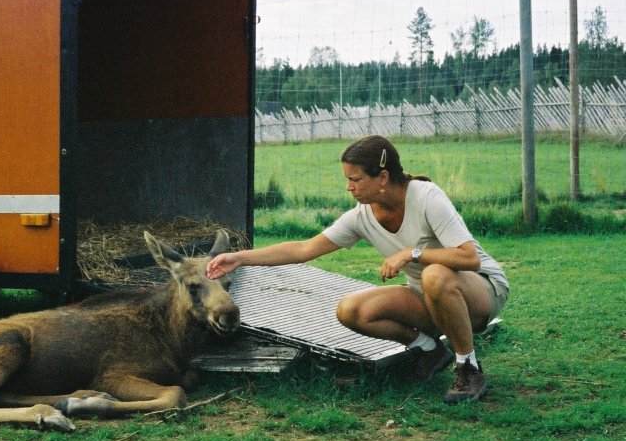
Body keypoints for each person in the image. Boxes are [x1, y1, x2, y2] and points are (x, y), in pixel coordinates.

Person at [207, 135, 509, 403]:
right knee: (351, 310)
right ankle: (429, 350)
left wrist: (413, 252)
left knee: (434, 273)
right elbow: (304, 249)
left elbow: (469, 258)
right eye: (348, 179)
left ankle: (468, 368)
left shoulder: (425, 197)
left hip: (481, 290)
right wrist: (241, 258)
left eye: (356, 179)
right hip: (428, 296)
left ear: (382, 178)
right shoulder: (361, 216)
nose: (349, 187)